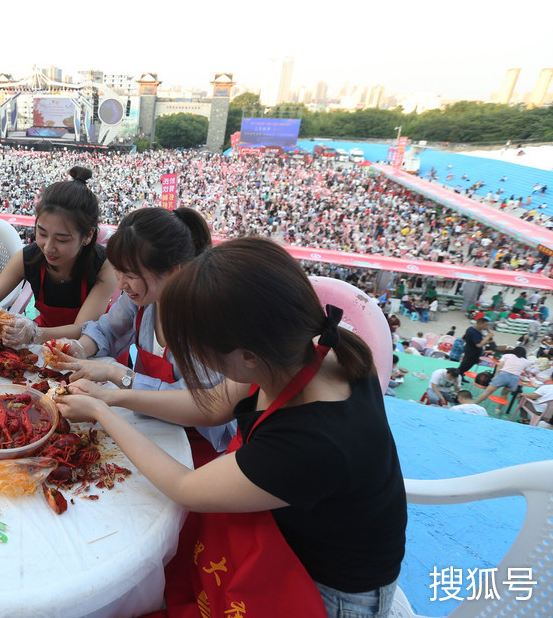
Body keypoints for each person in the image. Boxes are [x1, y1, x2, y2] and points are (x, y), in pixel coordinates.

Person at [55, 237, 405, 616]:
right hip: (287, 536)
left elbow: (186, 488)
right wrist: (113, 398)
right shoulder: (301, 346)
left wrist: (102, 415)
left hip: (322, 591)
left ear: (249, 356)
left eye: (199, 351)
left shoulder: (311, 441)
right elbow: (216, 403)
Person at [52, 207, 236, 460]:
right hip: (153, 423)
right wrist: (80, 349)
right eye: (118, 271)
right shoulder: (143, 298)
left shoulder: (206, 322)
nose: (121, 284)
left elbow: (201, 405)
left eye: (130, 275)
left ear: (174, 271)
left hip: (200, 441)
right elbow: (108, 329)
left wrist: (120, 376)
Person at [0, 166, 115, 346]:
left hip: (90, 346)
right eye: (42, 234)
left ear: (88, 236)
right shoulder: (28, 257)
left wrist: (32, 333)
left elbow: (81, 329)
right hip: (43, 339)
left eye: (62, 240)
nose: (48, 248)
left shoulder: (104, 266)